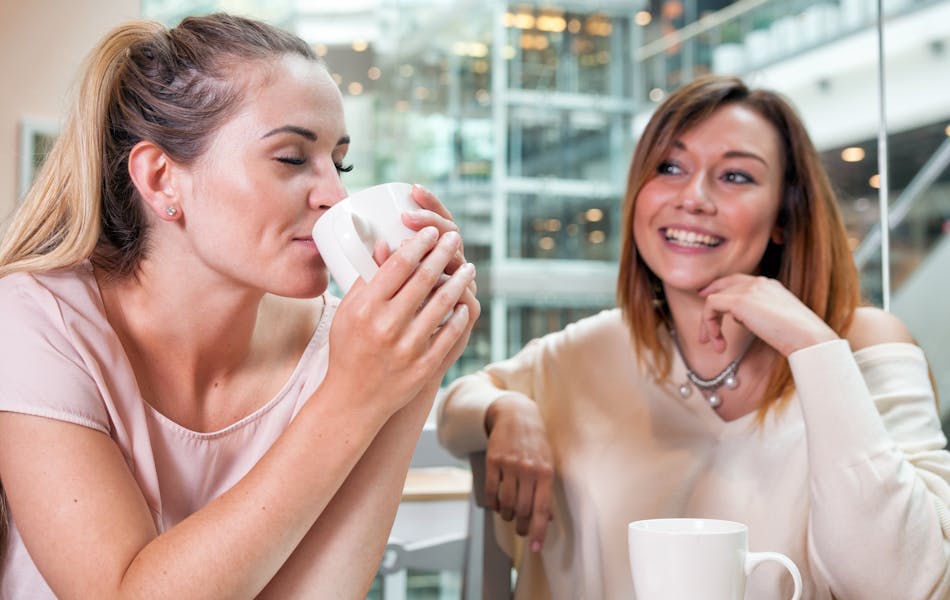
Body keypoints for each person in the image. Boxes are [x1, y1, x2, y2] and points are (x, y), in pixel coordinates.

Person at [0, 13, 479, 599]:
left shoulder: (349, 347)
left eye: (340, 162)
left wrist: (415, 371)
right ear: (161, 178)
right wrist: (357, 395)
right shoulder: (35, 321)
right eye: (291, 159)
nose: (335, 196)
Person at [437, 75, 950, 599]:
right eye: (670, 167)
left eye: (734, 176)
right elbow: (458, 406)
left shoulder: (861, 343)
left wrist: (813, 349)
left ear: (783, 215)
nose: (694, 197)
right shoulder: (596, 347)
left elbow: (902, 583)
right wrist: (507, 410)